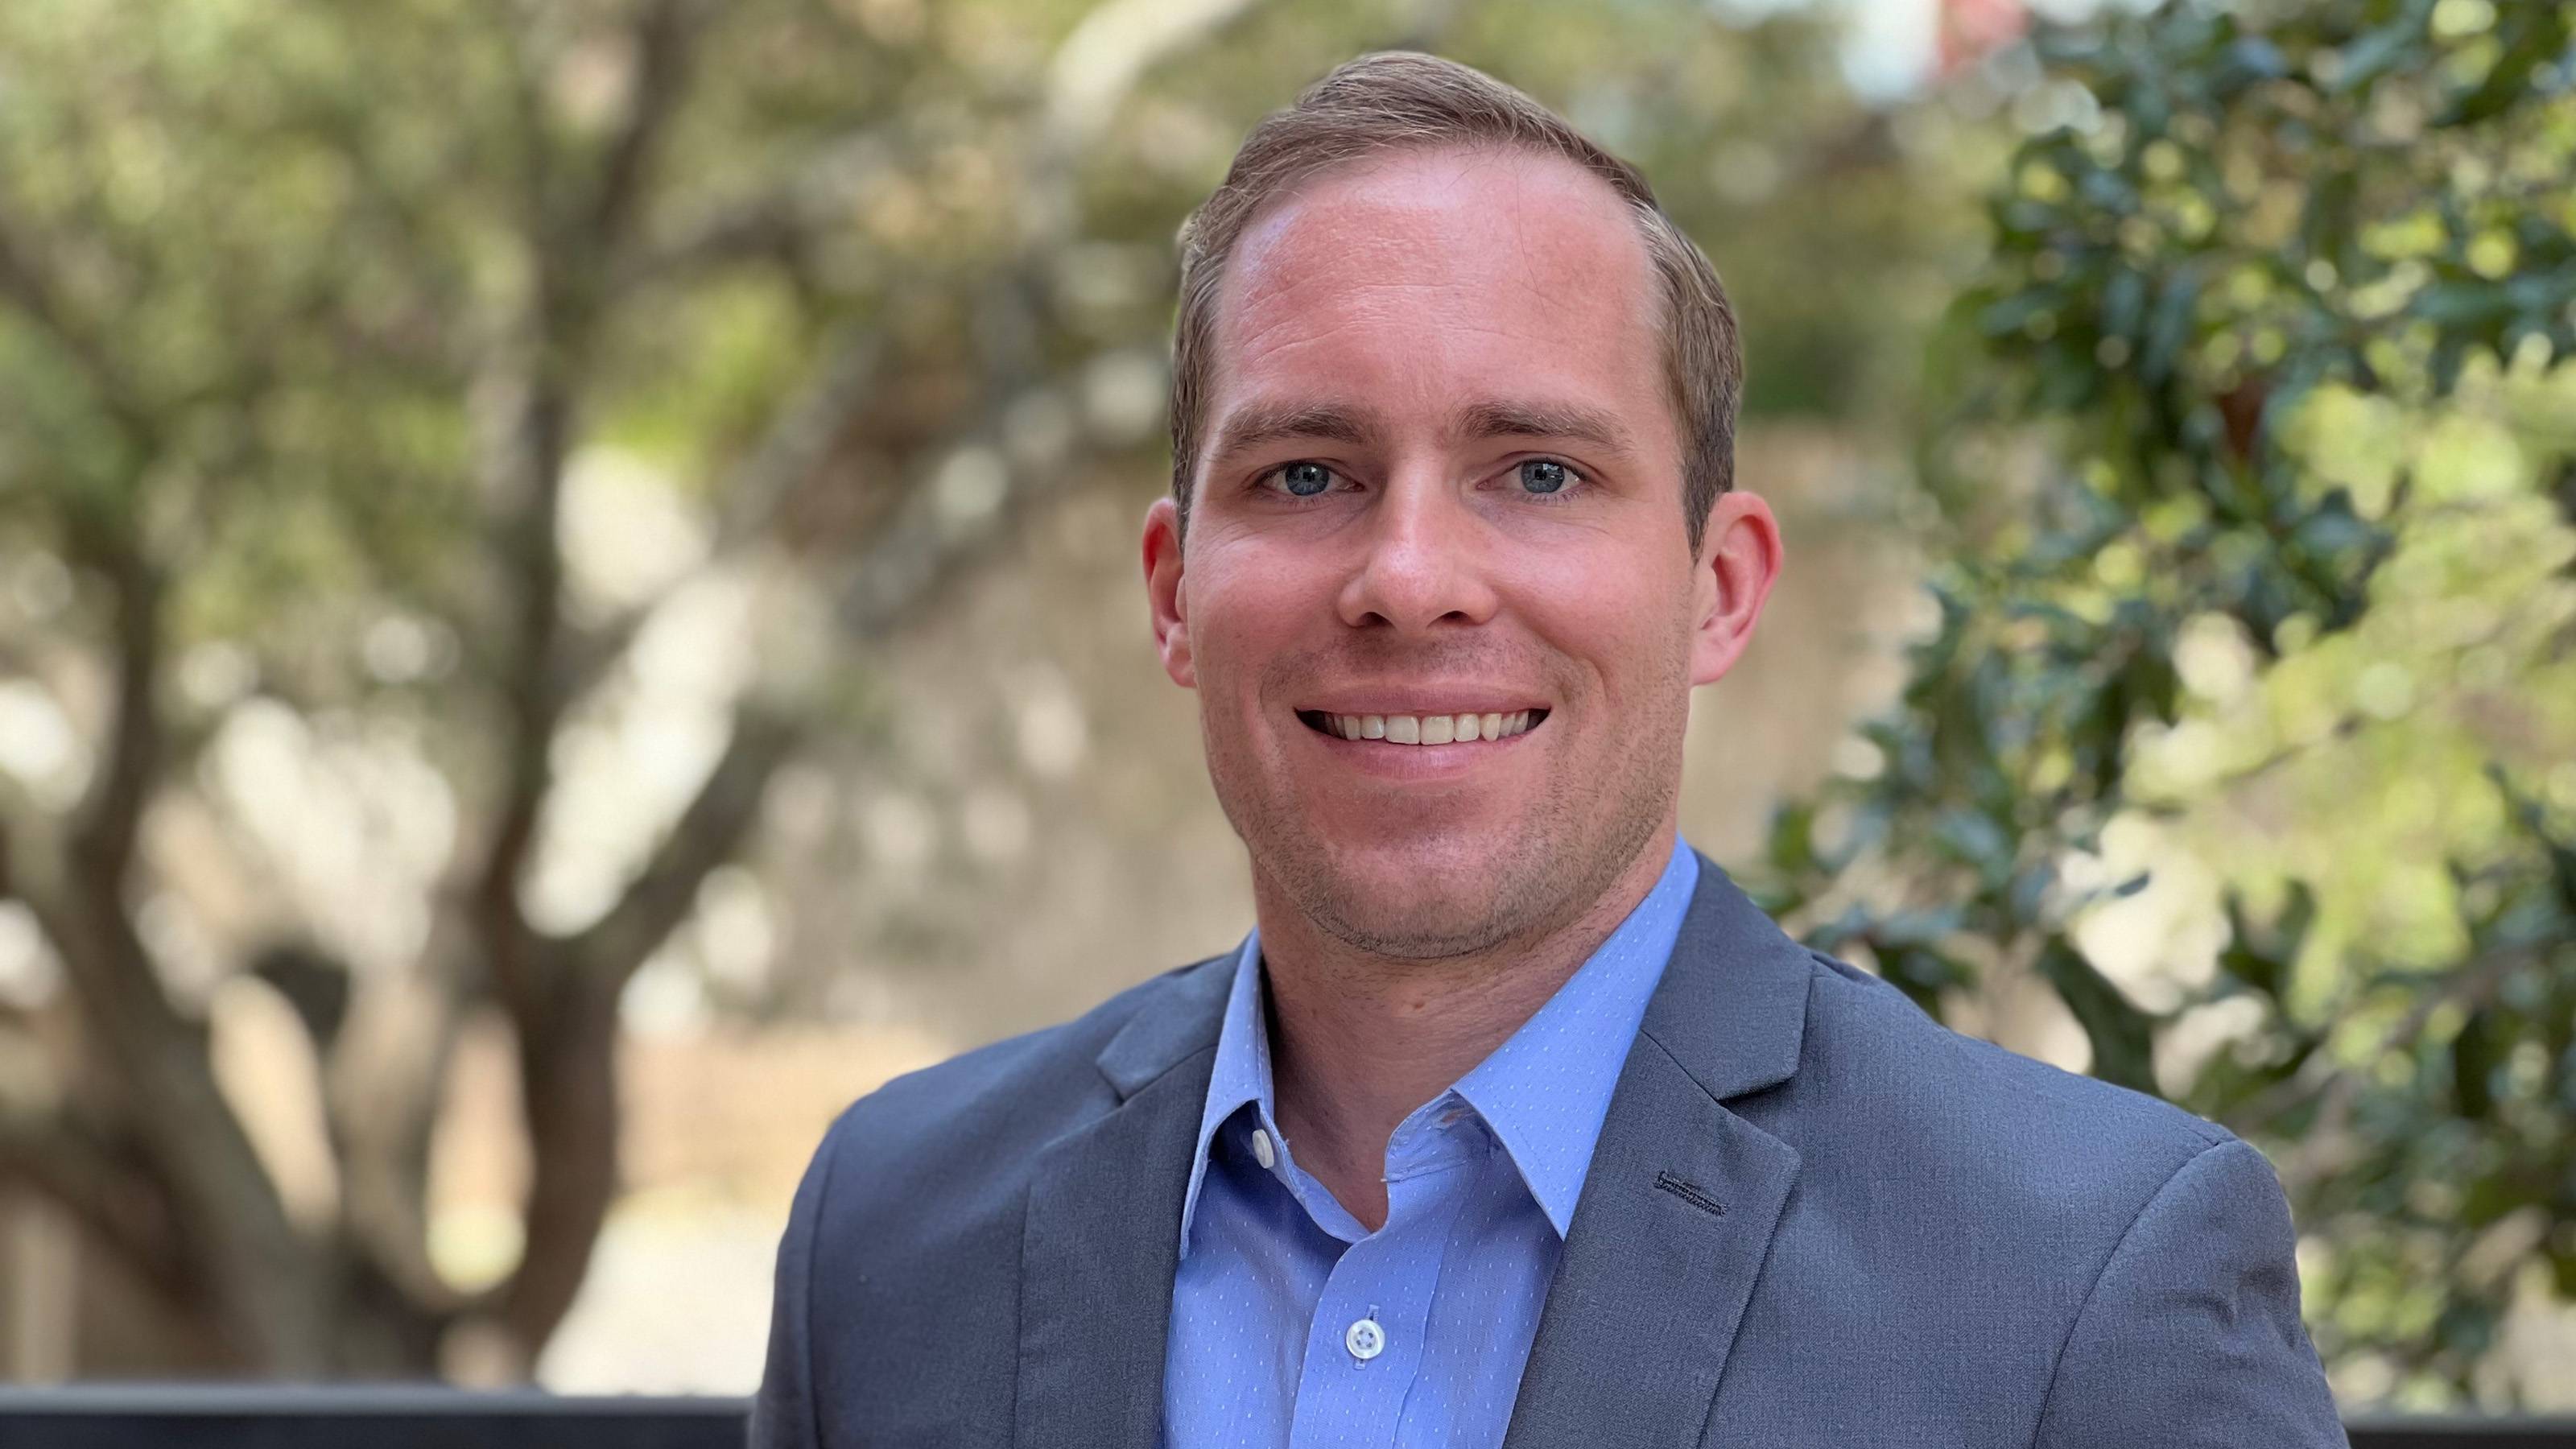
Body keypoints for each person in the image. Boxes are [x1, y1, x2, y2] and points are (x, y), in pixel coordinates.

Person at [750, 50, 2344, 1448]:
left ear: (1717, 590)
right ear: (1175, 594)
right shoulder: (892, 1238)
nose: (1409, 580)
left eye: (1536, 472)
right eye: (1306, 476)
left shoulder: (2081, 1277)